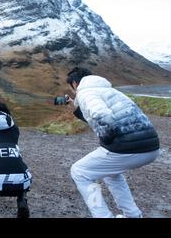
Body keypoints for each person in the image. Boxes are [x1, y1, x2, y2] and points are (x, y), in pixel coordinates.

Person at [66, 67, 160, 218]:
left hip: (128, 147)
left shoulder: (85, 92)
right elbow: (100, 116)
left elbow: (102, 116)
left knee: (80, 172)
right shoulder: (111, 91)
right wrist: (76, 107)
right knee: (111, 173)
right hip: (151, 147)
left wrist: (107, 140)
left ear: (75, 84)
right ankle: (133, 215)